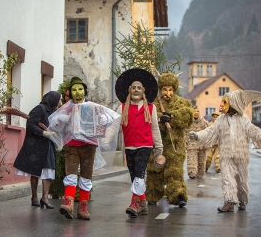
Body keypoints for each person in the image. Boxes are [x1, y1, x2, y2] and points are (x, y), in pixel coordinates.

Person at [188, 89, 261, 212]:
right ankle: (229, 202)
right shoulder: (221, 119)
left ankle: (242, 200)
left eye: (225, 102)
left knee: (241, 181)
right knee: (227, 179)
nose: (221, 104)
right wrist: (197, 135)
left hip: (241, 156)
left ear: (233, 103)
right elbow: (210, 131)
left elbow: (252, 129)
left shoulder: (243, 119)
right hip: (226, 155)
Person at [47, 76, 121, 220]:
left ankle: (83, 208)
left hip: (89, 147)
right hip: (71, 146)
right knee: (71, 175)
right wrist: (59, 120)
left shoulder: (94, 107)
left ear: (85, 91)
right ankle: (68, 205)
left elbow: (107, 120)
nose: (78, 92)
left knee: (86, 176)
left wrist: (105, 121)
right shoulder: (67, 108)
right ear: (70, 92)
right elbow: (56, 127)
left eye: (80, 89)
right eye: (74, 90)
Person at [115, 68, 164, 217]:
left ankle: (134, 202)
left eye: (139, 88)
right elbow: (114, 126)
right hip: (129, 146)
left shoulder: (151, 107)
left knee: (139, 174)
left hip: (145, 146)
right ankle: (142, 203)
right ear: (129, 90)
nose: (136, 90)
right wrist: (104, 138)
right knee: (134, 175)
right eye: (133, 87)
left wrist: (159, 148)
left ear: (144, 91)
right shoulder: (122, 107)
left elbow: (155, 128)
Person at [146, 72, 194, 208]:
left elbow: (187, 116)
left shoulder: (182, 102)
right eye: (165, 89)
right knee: (155, 170)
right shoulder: (153, 103)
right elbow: (147, 115)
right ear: (161, 89)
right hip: (157, 144)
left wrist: (173, 116)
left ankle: (178, 195)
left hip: (175, 146)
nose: (168, 92)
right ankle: (152, 195)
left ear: (174, 89)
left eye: (170, 89)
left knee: (174, 171)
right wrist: (160, 118)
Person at [13, 91, 62, 209]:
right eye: (59, 99)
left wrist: (56, 140)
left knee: (48, 171)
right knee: (35, 172)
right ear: (53, 99)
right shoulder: (40, 109)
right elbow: (30, 124)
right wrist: (43, 133)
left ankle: (45, 198)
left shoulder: (52, 112)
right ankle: (34, 197)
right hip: (37, 146)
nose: (60, 102)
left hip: (48, 146)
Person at [185, 105, 209, 179]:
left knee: (201, 160)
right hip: (191, 143)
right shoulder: (188, 122)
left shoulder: (204, 122)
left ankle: (200, 172)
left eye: (197, 111)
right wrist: (185, 141)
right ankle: (192, 172)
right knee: (191, 159)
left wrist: (207, 143)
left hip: (201, 143)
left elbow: (208, 132)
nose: (196, 113)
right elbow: (185, 132)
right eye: (194, 111)